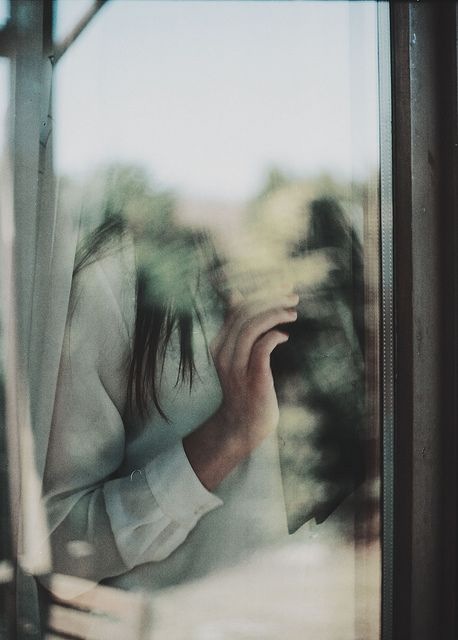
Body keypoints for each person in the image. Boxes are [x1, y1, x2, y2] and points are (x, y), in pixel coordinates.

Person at [42, 217, 299, 593]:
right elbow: (59, 548)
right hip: (175, 615)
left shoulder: (318, 251)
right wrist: (228, 435)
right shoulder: (112, 278)